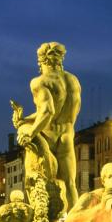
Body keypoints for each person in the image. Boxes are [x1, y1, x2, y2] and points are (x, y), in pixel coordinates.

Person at [14, 42, 82, 211]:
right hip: (67, 135)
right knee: (70, 184)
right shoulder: (73, 80)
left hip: (49, 137)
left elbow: (48, 111)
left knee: (38, 183)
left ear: (40, 60)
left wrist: (31, 132)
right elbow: (57, 110)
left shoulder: (39, 82)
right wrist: (26, 119)